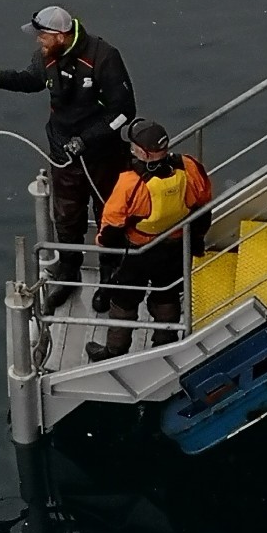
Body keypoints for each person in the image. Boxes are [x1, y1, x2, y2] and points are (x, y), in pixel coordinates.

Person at [0, 6, 136, 286]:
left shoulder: (104, 57)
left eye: (42, 35)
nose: (37, 40)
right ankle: (68, 274)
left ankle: (110, 276)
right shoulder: (47, 57)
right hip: (63, 155)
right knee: (67, 217)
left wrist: (87, 140)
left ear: (60, 35)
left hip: (103, 157)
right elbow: (29, 80)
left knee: (109, 215)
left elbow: (125, 112)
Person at [85, 119, 212, 360]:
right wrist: (196, 240)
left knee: (124, 300)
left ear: (142, 152)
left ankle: (115, 351)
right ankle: (165, 342)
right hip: (175, 246)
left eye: (133, 146)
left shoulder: (130, 183)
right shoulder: (189, 166)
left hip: (138, 251)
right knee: (167, 294)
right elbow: (204, 205)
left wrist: (107, 248)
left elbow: (110, 229)